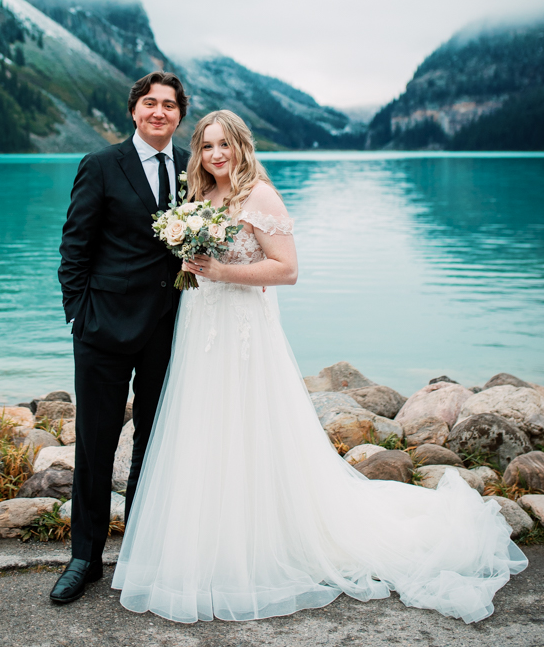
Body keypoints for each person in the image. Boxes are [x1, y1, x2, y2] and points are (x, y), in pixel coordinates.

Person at [112, 109, 527, 625]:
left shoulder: (258, 195)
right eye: (206, 146)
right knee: (206, 429)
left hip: (243, 331)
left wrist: (219, 269)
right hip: (201, 328)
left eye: (225, 145)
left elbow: (287, 269)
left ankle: (261, 545)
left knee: (249, 427)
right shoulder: (199, 197)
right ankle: (210, 541)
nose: (215, 155)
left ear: (242, 146)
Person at [50, 71, 190, 605]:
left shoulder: (191, 169)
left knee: (153, 444)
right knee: (96, 443)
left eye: (170, 106)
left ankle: (139, 550)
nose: (159, 113)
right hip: (102, 327)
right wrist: (78, 315)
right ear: (134, 111)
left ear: (180, 115)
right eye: (150, 104)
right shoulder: (101, 165)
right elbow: (74, 246)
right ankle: (84, 557)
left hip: (167, 328)